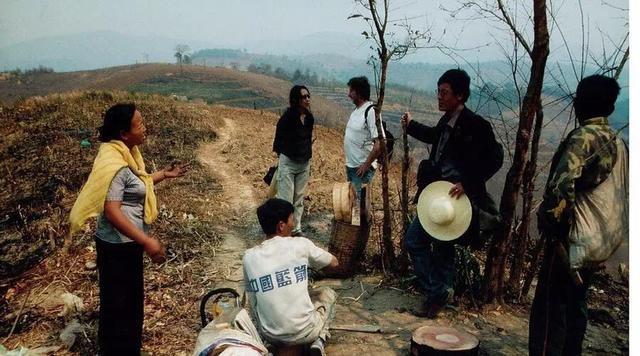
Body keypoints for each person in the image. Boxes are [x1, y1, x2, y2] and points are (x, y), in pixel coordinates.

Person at [69, 103, 189, 355]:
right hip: (117, 246)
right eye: (140, 124)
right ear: (124, 133)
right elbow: (112, 211)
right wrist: (146, 241)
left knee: (129, 304)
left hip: (126, 244)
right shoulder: (115, 164)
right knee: (120, 308)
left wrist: (163, 175)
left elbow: (136, 184)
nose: (145, 128)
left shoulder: (126, 155)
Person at [529, 75, 625, 356]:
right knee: (576, 307)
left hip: (570, 241)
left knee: (550, 310)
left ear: (579, 102)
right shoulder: (618, 142)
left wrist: (554, 230)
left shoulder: (584, 138)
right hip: (599, 242)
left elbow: (561, 189)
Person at [400, 69, 503, 318]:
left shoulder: (476, 125)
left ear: (460, 95)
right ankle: (440, 291)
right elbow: (434, 137)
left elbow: (495, 157)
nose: (439, 97)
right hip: (438, 195)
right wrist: (410, 125)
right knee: (427, 243)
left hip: (456, 199)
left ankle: (438, 294)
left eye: (444, 93)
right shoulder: (446, 120)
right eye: (438, 91)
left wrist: (468, 183)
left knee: (432, 243)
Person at [243, 198, 339, 356]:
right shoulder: (300, 244)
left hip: (271, 335)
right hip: (306, 331)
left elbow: (252, 299)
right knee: (328, 294)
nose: (293, 224)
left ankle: (269, 346)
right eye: (291, 219)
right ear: (281, 226)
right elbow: (334, 263)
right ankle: (319, 341)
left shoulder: (248, 257)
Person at [273, 85, 314, 236]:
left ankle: (296, 228)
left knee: (299, 199)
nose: (307, 99)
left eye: (308, 96)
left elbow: (307, 140)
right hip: (289, 163)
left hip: (304, 164)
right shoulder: (287, 118)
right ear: (296, 99)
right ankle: (283, 231)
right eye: (304, 97)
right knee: (285, 200)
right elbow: (278, 140)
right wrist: (283, 159)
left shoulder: (309, 118)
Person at [343, 76, 382, 197]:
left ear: (359, 92)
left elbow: (379, 143)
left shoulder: (371, 111)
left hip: (361, 169)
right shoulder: (357, 110)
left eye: (351, 91)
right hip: (351, 165)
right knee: (353, 201)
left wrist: (366, 165)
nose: (349, 94)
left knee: (359, 206)